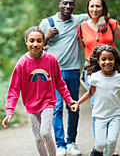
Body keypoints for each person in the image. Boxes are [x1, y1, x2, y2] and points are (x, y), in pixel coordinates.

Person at [39, 0, 106, 156]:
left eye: (71, 4)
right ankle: (60, 145)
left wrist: (104, 19)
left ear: (74, 6)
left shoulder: (78, 19)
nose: (68, 6)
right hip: (53, 73)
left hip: (73, 71)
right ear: (59, 4)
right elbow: (34, 45)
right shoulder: (47, 22)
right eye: (65, 3)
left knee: (73, 107)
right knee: (56, 108)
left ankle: (72, 142)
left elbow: (98, 12)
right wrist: (46, 38)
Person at [2, 26, 76, 156]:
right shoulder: (22, 63)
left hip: (47, 102)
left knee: (45, 133)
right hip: (31, 105)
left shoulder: (51, 60)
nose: (35, 44)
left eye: (39, 41)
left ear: (43, 42)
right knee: (38, 138)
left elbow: (59, 82)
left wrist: (69, 100)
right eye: (31, 41)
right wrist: (9, 110)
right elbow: (14, 88)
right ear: (26, 41)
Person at [78, 0, 120, 139]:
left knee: (113, 104)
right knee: (97, 106)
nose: (94, 9)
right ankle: (100, 146)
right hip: (92, 71)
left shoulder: (111, 23)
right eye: (92, 6)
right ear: (87, 8)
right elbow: (79, 48)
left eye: (98, 6)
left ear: (103, 8)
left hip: (111, 70)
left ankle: (110, 141)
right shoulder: (82, 26)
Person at [71, 44, 120, 156]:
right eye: (103, 59)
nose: (107, 62)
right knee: (100, 144)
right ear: (98, 61)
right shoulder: (95, 77)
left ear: (115, 60)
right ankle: (95, 152)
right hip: (99, 115)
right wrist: (78, 103)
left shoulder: (118, 77)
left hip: (115, 115)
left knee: (112, 142)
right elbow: (90, 93)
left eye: (110, 59)